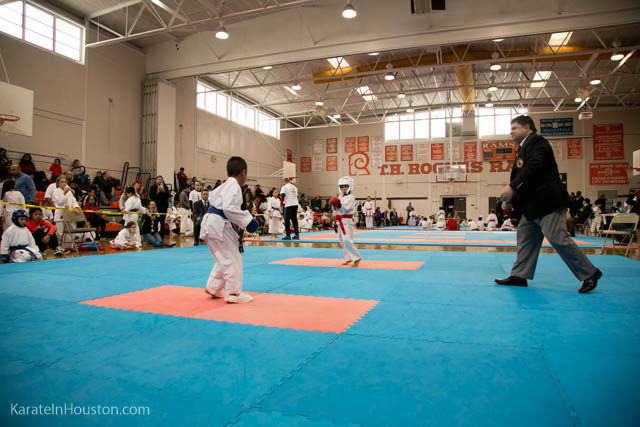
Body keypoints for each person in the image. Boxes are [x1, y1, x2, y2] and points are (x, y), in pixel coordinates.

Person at [495, 115, 602, 294]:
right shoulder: (522, 149)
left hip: (547, 202)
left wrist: (512, 187)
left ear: (527, 127)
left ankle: (589, 273)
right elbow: (525, 176)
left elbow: (534, 167)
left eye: (514, 128)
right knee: (525, 240)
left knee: (558, 238)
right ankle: (519, 275)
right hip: (531, 206)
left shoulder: (538, 143)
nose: (510, 132)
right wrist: (513, 201)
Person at [200, 156, 259, 303]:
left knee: (223, 256)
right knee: (232, 257)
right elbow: (229, 208)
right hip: (218, 224)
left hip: (213, 223)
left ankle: (213, 287)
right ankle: (234, 294)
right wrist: (248, 221)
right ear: (243, 172)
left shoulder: (224, 185)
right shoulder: (233, 186)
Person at [330, 176, 361, 267]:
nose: (344, 188)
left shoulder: (351, 197)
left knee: (347, 240)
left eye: (346, 186)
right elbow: (335, 209)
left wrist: (338, 204)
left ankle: (357, 258)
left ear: (350, 186)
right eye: (342, 186)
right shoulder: (340, 196)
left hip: (347, 220)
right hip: (340, 220)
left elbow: (347, 208)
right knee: (342, 241)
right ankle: (348, 258)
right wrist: (334, 204)